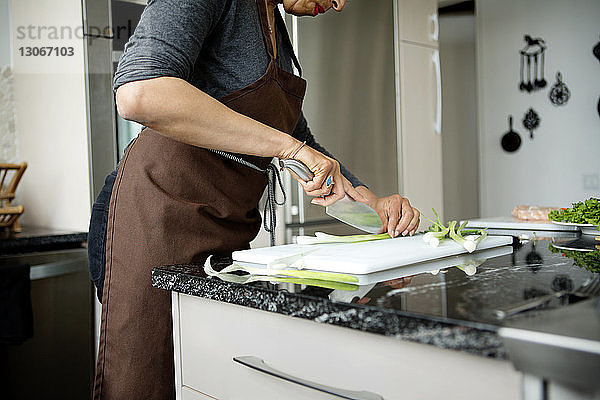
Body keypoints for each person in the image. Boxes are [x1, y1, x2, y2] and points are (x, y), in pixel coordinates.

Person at [88, 0, 420, 398]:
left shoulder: (276, 29)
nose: (340, 3)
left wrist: (369, 201)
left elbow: (300, 140)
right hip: (152, 221)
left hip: (225, 231)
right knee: (149, 378)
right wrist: (289, 149)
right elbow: (140, 91)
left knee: (210, 378)